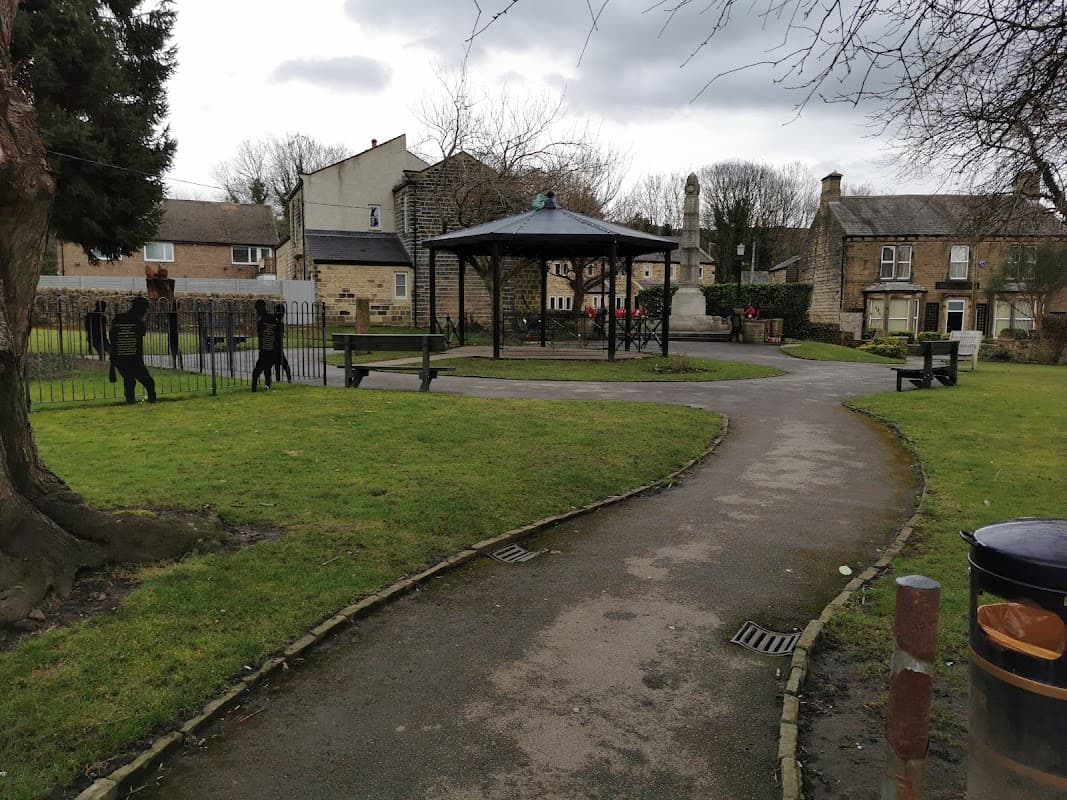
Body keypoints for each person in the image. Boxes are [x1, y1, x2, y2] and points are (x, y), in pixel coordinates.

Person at [109, 297, 156, 403]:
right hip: (127, 358)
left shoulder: (121, 319)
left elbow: (113, 337)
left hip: (127, 358)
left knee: (134, 381)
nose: (145, 312)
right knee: (140, 382)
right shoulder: (136, 322)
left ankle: (132, 402)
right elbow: (114, 338)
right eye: (144, 309)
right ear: (138, 308)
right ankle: (137, 401)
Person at [251, 299, 279, 392]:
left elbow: (261, 335)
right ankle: (267, 386)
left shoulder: (261, 320)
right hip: (272, 347)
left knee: (257, 370)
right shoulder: (271, 317)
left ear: (259, 309)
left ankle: (254, 388)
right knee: (267, 369)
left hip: (266, 347)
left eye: (257, 309)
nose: (256, 312)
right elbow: (276, 330)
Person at [272, 303, 292, 383]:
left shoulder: (276, 322)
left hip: (275, 347)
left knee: (278, 364)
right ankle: (287, 379)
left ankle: (280, 379)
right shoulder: (279, 323)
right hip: (277, 347)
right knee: (282, 364)